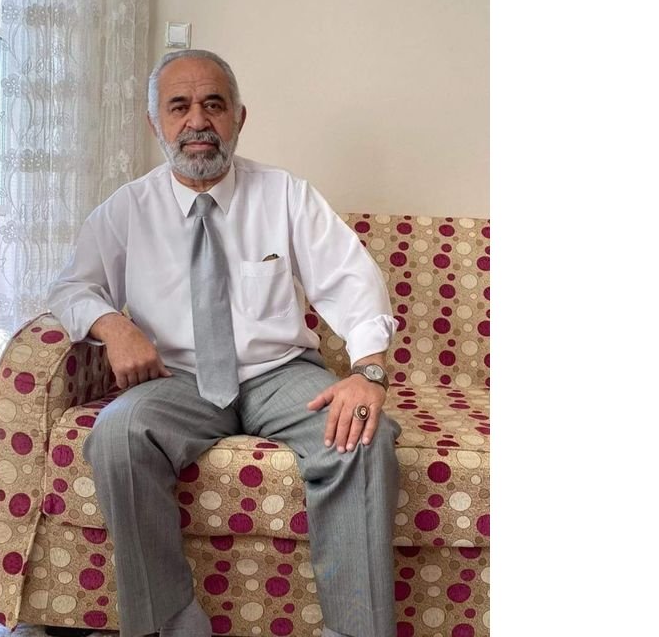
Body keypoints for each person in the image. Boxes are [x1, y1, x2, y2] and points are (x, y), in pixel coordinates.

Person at [47, 49, 400, 637]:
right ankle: (171, 623)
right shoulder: (128, 208)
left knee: (363, 436)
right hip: (176, 380)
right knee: (117, 434)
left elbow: (351, 281)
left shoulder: (286, 194)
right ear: (155, 123)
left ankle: (353, 630)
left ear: (239, 117)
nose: (198, 121)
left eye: (213, 104)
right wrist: (114, 326)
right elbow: (72, 286)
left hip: (280, 372)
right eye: (179, 106)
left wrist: (368, 372)